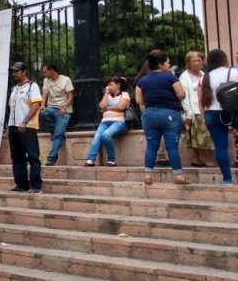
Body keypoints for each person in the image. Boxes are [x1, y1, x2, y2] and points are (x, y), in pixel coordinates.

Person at [135, 49, 187, 185]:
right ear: (160, 64)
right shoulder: (170, 77)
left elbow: (139, 100)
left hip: (150, 114)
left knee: (152, 146)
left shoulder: (142, 81)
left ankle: (148, 175)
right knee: (171, 146)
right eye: (167, 63)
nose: (169, 65)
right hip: (169, 113)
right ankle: (178, 175)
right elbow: (181, 94)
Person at [199, 49, 238, 186]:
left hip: (212, 113)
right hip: (233, 111)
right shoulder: (233, 72)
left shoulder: (205, 77)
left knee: (220, 147)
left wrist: (203, 116)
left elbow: (201, 98)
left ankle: (227, 179)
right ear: (224, 59)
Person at [7, 62, 43, 194]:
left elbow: (36, 105)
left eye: (16, 71)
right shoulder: (14, 89)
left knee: (33, 156)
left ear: (24, 71)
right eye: (13, 71)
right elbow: (11, 109)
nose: (14, 74)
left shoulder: (32, 86)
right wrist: (9, 127)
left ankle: (36, 185)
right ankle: (21, 184)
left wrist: (24, 121)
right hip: (13, 126)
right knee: (17, 157)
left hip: (27, 126)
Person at [179, 51, 216, 167]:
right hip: (194, 110)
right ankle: (204, 158)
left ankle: (196, 159)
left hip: (205, 107)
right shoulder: (184, 77)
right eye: (193, 61)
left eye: (198, 60)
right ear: (188, 63)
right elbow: (184, 96)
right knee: (199, 135)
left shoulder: (204, 75)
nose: (196, 63)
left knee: (200, 135)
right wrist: (189, 113)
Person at [84, 77, 131, 166]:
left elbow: (121, 107)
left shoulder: (124, 94)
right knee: (97, 138)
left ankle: (111, 160)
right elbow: (101, 106)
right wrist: (106, 94)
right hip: (105, 122)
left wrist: (108, 108)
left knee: (106, 135)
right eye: (107, 85)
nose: (108, 87)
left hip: (119, 122)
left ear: (118, 85)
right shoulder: (108, 96)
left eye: (111, 84)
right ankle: (90, 159)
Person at [40, 63, 75, 166]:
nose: (44, 74)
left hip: (63, 110)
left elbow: (70, 96)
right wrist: (42, 105)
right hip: (51, 108)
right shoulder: (46, 80)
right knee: (42, 113)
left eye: (45, 72)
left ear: (52, 70)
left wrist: (64, 107)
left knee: (59, 135)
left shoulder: (66, 80)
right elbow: (45, 94)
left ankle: (52, 158)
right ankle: (54, 130)